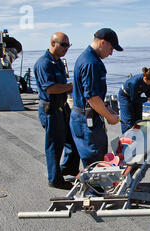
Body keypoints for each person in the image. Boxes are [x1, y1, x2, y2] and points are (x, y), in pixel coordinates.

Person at [34, 32, 80, 190]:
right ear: (53, 43)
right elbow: (51, 88)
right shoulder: (44, 63)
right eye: (63, 45)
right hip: (51, 109)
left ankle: (68, 169)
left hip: (62, 107)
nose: (67, 48)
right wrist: (71, 87)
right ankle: (55, 179)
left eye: (68, 45)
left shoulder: (58, 62)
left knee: (73, 140)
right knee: (54, 146)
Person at [70, 28, 121, 168]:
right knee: (96, 163)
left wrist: (106, 109)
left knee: (93, 161)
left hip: (83, 116)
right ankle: (94, 190)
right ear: (103, 42)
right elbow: (92, 98)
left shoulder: (85, 58)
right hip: (87, 121)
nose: (111, 53)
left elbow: (92, 95)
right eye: (111, 48)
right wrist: (109, 117)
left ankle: (94, 188)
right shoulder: (92, 63)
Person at [118, 67, 150, 133]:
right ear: (145, 79)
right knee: (128, 118)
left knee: (138, 117)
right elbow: (133, 99)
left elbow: (148, 91)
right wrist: (147, 99)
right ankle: (126, 136)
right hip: (125, 96)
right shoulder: (134, 82)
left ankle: (137, 134)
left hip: (136, 96)